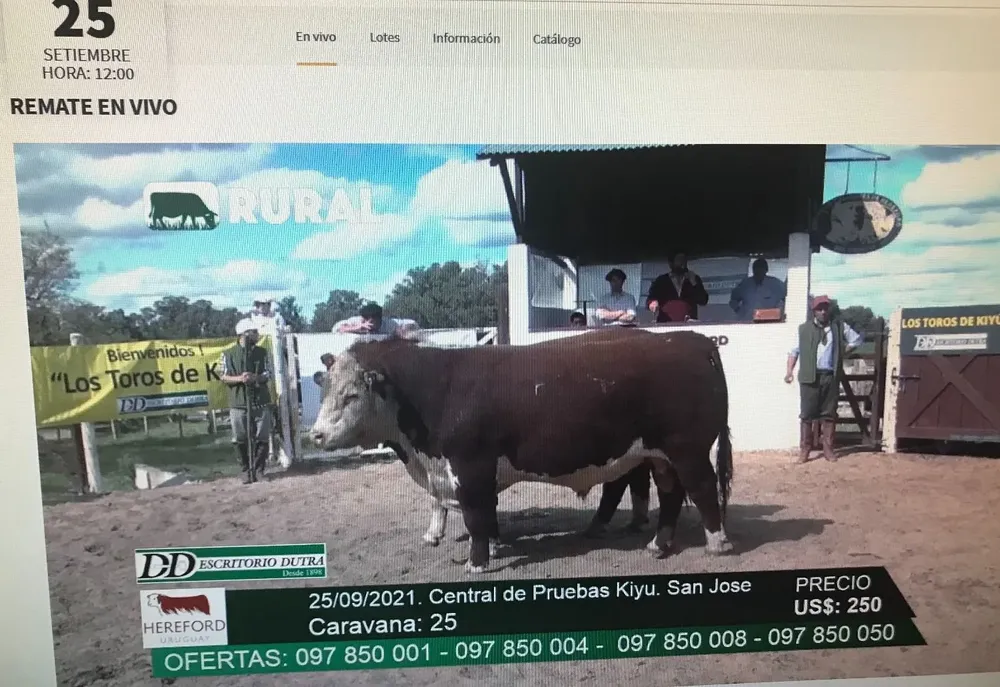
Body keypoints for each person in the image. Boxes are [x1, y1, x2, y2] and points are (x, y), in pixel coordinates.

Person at [784, 295, 863, 464]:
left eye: (825, 308)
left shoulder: (839, 327)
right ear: (814, 311)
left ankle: (828, 449)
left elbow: (856, 339)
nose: (823, 312)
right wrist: (789, 371)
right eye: (819, 309)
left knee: (829, 414)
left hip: (830, 376)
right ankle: (805, 450)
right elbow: (793, 352)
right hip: (809, 377)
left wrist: (842, 352)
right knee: (807, 415)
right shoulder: (803, 329)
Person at [219, 319, 275, 484]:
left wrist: (256, 377)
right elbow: (223, 376)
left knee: (262, 436)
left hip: (260, 400)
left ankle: (259, 470)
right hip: (238, 402)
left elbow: (268, 373)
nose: (257, 335)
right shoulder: (228, 354)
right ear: (244, 334)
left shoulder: (263, 352)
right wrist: (240, 378)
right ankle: (245, 470)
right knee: (240, 437)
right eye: (254, 332)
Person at [646, 252, 709, 323]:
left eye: (684, 260)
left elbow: (703, 300)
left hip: (688, 325)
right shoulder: (661, 280)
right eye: (679, 260)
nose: (682, 263)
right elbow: (651, 298)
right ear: (671, 263)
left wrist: (694, 283)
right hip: (665, 325)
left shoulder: (693, 279)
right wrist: (653, 302)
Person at [333, 302, 421, 339]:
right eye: (364, 319)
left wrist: (402, 331)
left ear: (378, 319)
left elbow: (413, 323)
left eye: (370, 321)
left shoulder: (390, 324)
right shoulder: (357, 322)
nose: (366, 323)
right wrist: (356, 328)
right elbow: (336, 328)